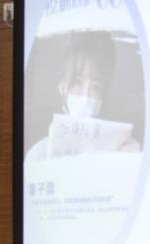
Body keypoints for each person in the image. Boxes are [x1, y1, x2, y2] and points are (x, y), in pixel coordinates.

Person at [26, 31, 140, 160]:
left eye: (95, 86)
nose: (86, 96)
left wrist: (130, 161)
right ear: (62, 85)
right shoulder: (38, 155)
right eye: (78, 82)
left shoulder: (118, 148)